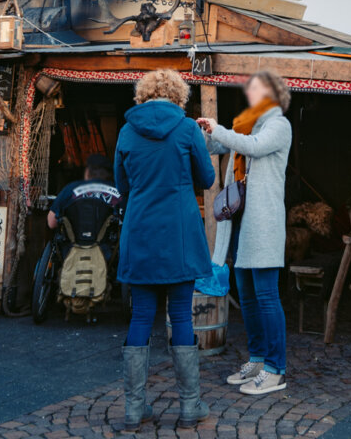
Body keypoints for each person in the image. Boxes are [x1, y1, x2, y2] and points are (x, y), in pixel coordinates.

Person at [113, 69, 216, 431]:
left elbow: (120, 184)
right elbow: (206, 179)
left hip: (140, 231)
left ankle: (133, 408)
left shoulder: (127, 130)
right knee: (182, 316)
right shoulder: (188, 129)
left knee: (140, 316)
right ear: (178, 96)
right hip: (180, 234)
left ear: (143, 95)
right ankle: (190, 407)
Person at [197, 70, 293, 398]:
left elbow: (252, 147)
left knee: (266, 296)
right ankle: (256, 359)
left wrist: (220, 130)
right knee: (249, 297)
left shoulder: (278, 125)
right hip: (241, 223)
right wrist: (207, 132)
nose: (252, 94)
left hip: (263, 224)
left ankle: (276, 369)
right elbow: (220, 144)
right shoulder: (244, 124)